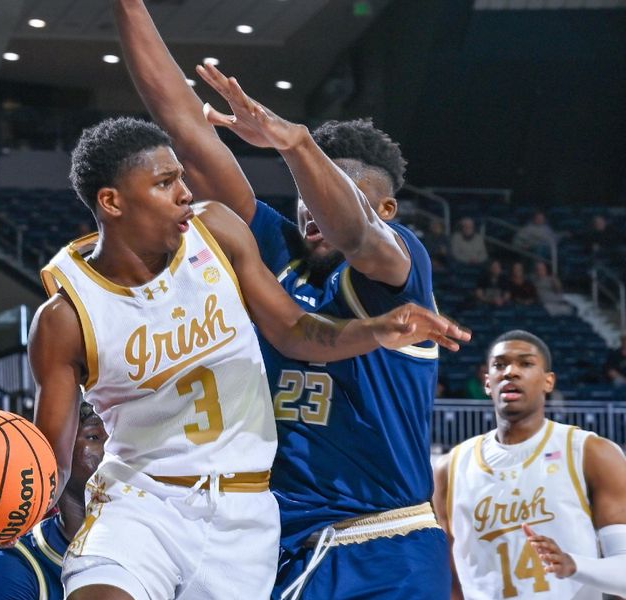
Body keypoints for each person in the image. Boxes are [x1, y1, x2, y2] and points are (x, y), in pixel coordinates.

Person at [30, 115, 467, 600]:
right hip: (144, 497)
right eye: (165, 182)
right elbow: (49, 459)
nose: (184, 192)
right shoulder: (67, 313)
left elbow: (298, 329)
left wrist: (374, 330)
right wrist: (9, 509)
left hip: (249, 518)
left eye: (180, 179)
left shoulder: (226, 237)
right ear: (111, 201)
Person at [113, 2, 470, 597]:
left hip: (381, 544)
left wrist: (295, 143)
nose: (310, 206)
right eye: (303, 193)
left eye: (330, 189)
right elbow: (185, 131)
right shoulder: (271, 251)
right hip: (277, 541)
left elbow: (355, 230)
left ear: (385, 209)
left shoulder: (397, 269)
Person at [434, 330, 626, 599]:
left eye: (525, 363)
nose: (510, 372)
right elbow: (447, 576)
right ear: (488, 382)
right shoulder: (450, 468)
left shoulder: (591, 452)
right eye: (500, 365)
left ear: (548, 381)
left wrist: (573, 564)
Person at [0, 402, 107, 599]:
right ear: (56, 456)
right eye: (94, 437)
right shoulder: (15, 566)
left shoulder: (158, 540)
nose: (114, 449)